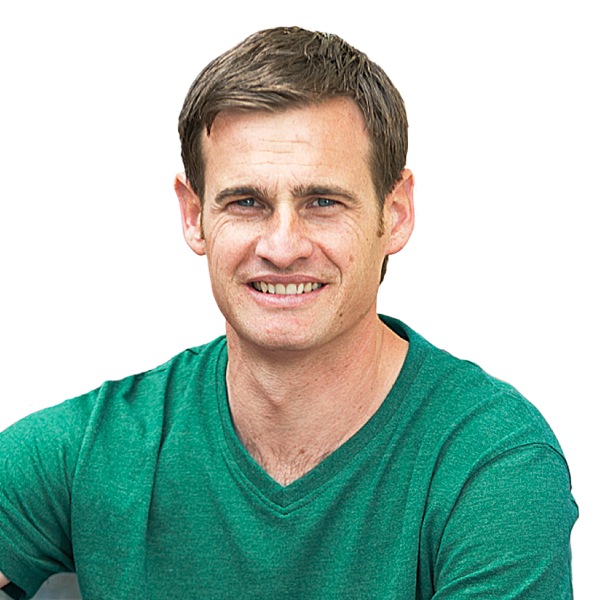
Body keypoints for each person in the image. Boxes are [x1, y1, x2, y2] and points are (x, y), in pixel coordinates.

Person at [0, 26, 577, 599]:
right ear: (194, 215)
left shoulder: (491, 462)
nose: (282, 246)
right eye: (246, 202)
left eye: (323, 202)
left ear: (395, 213)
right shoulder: (95, 449)